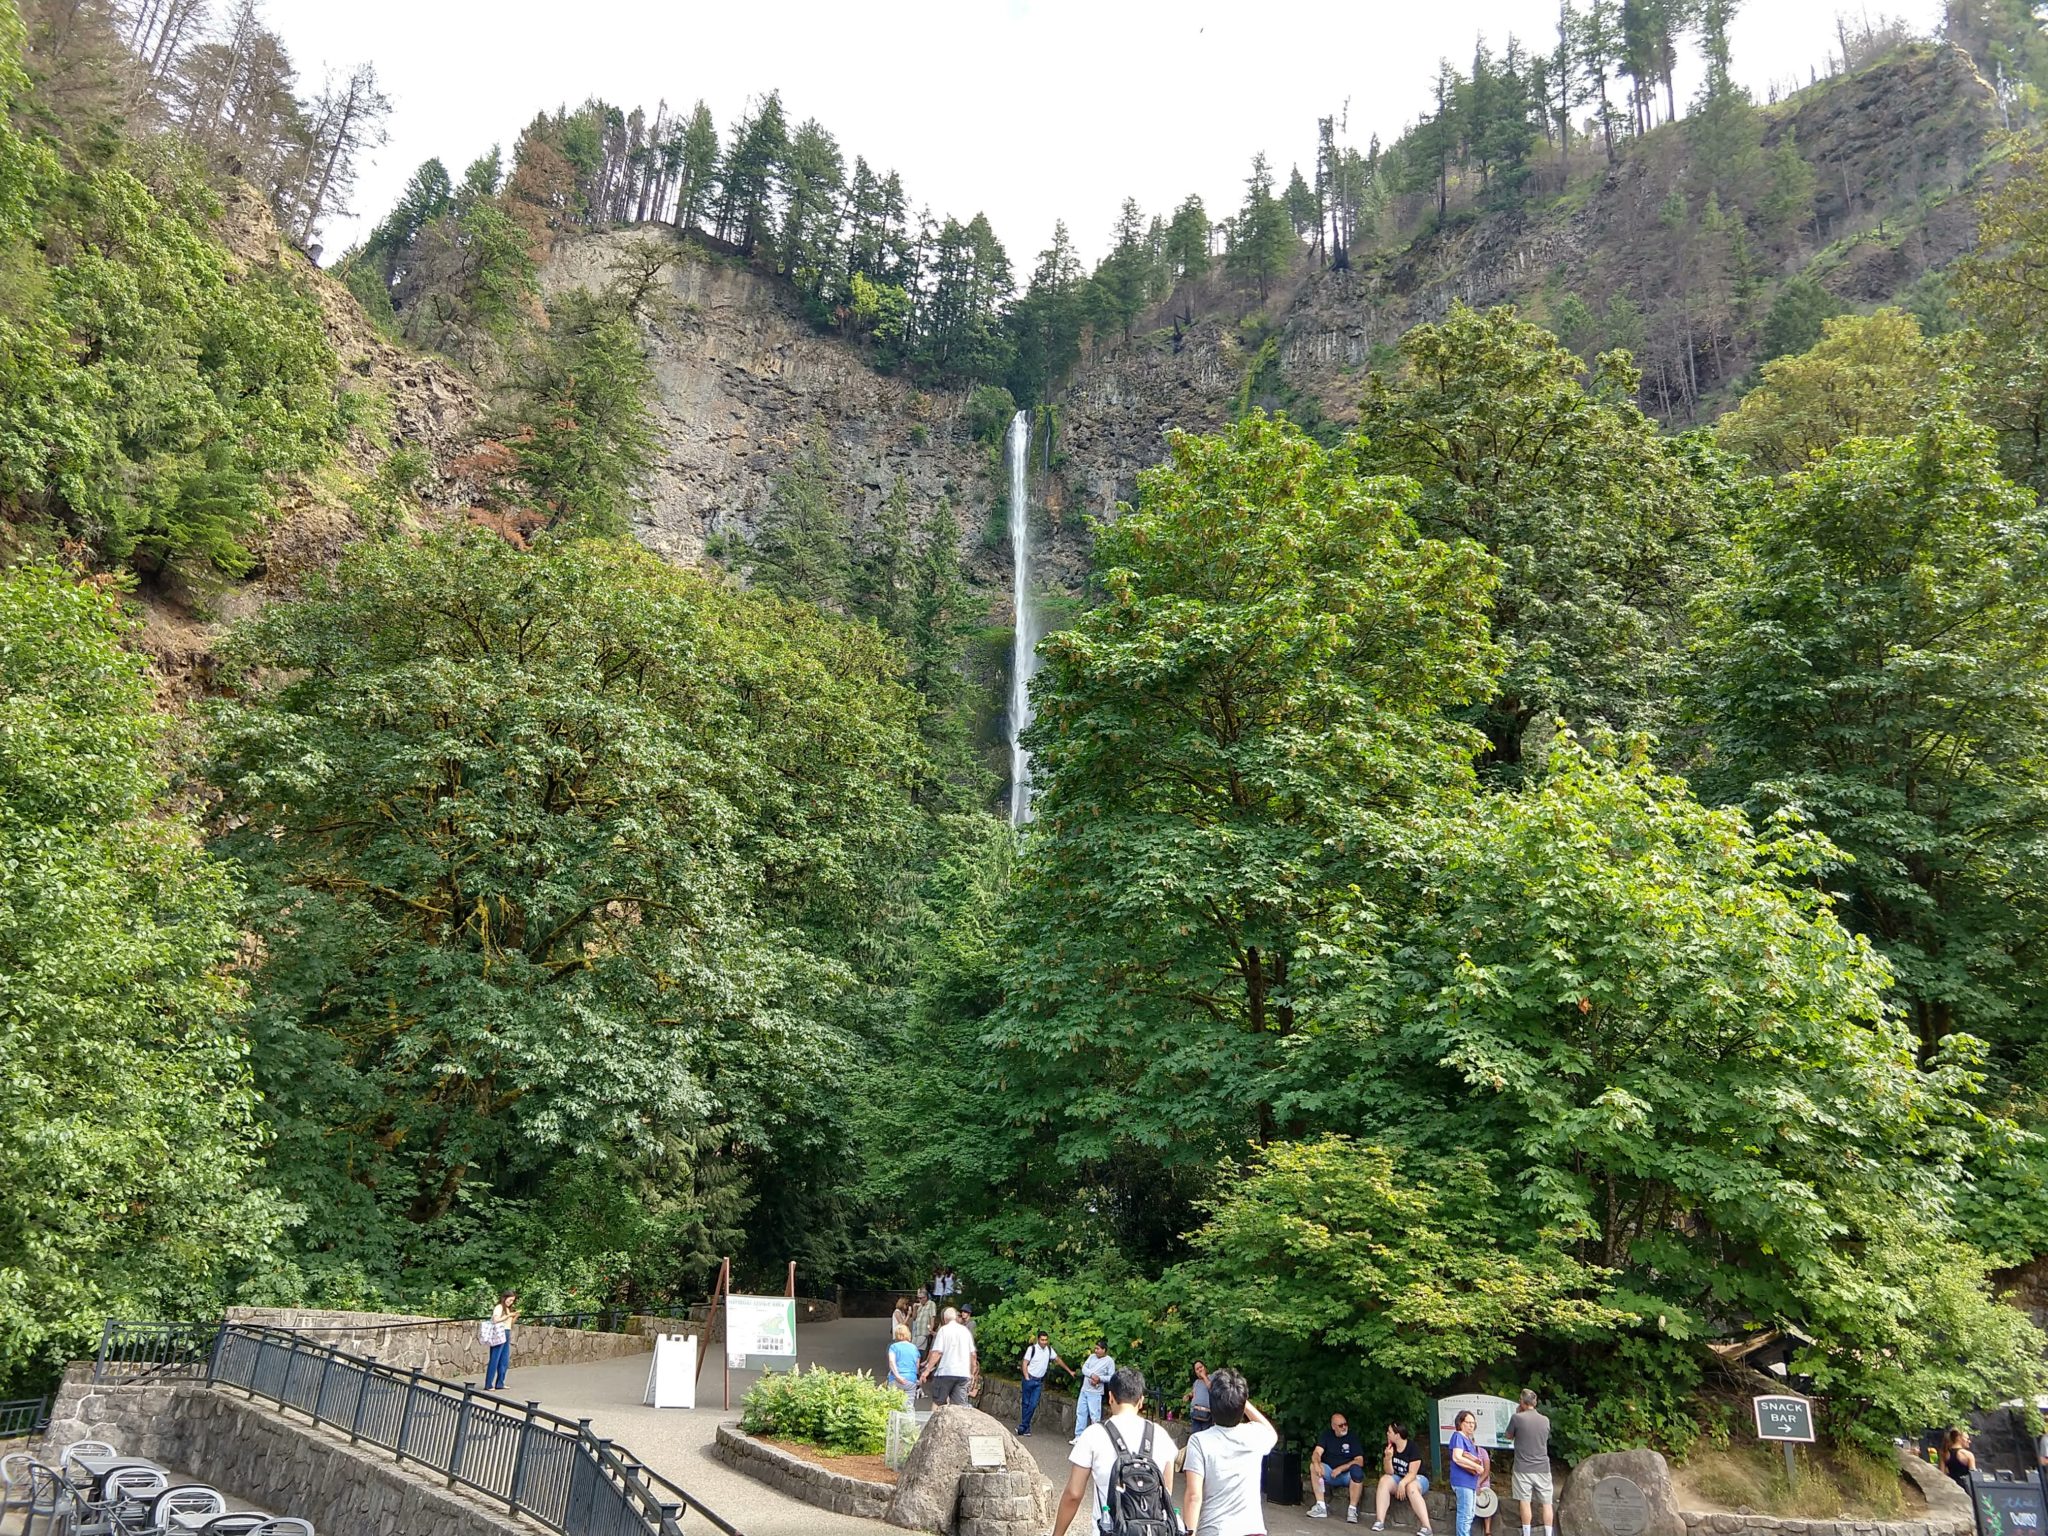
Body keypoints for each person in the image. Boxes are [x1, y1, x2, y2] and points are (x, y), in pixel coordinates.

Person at [1052, 1366, 1178, 1536]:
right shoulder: (1161, 1435)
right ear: (1141, 1401)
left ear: (1110, 1397)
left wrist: (1057, 1534)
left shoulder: (1093, 1434)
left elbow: (1073, 1494)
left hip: (1109, 1530)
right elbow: (1166, 1493)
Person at [1181, 1367, 1276, 1536]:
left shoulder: (1200, 1441)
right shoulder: (1255, 1434)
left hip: (1215, 1529)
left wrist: (1189, 1532)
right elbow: (1271, 1432)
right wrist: (1240, 1400)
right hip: (1252, 1529)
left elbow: (1194, 1496)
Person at [1505, 1389, 1553, 1536]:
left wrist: (1518, 1413)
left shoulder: (1517, 1418)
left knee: (1525, 1501)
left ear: (1522, 1401)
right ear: (1535, 1402)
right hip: (1543, 1467)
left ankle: (1527, 1533)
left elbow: (1508, 1436)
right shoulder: (1545, 1420)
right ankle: (1548, 1533)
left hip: (1523, 1468)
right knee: (1547, 1503)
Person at [1372, 1423, 1431, 1534]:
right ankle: (1380, 1521)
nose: (1387, 1434)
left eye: (1389, 1432)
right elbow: (1389, 1472)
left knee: (1411, 1487)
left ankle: (1426, 1526)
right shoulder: (1390, 1447)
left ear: (1397, 1435)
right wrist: (1388, 1458)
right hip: (1399, 1477)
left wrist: (1402, 1484)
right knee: (1384, 1480)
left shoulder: (1412, 1447)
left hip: (1419, 1478)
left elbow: (1413, 1473)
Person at [1309, 1411, 1368, 1521]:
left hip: (1346, 1475)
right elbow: (1317, 1453)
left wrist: (1341, 1468)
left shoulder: (1352, 1437)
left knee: (1357, 1472)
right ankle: (1321, 1506)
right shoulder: (1327, 1435)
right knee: (1313, 1467)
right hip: (1330, 1472)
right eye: (1341, 1425)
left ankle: (1352, 1510)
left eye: (1345, 1424)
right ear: (1333, 1426)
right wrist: (1317, 1464)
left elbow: (1360, 1460)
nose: (1344, 1427)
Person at [920, 1305, 979, 1406]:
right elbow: (973, 1355)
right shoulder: (965, 1331)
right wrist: (972, 1372)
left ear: (944, 1319)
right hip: (963, 1374)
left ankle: (935, 1421)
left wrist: (927, 1370)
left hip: (945, 1372)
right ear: (956, 1317)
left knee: (938, 1403)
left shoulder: (943, 1330)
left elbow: (937, 1353)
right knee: (959, 1406)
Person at [1019, 1331, 1075, 1436]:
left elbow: (1058, 1360)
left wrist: (1069, 1371)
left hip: (1039, 1381)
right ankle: (1025, 1428)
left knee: (1033, 1404)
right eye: (1042, 1340)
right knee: (1025, 1403)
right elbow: (1025, 1363)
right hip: (1029, 1379)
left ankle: (1023, 1426)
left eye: (1046, 1340)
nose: (1044, 1342)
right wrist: (1026, 1377)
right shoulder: (1032, 1349)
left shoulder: (1049, 1350)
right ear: (1038, 1339)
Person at [1448, 1410, 1484, 1536]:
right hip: (1462, 1481)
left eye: (1473, 1423)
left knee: (1469, 1514)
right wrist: (1476, 1466)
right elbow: (1457, 1457)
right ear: (1460, 1423)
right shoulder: (1458, 1436)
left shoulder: (1468, 1439)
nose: (1471, 1425)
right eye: (1468, 1422)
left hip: (1470, 1481)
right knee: (1465, 1515)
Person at [1075, 1340, 1116, 1440]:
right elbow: (1084, 1368)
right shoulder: (1091, 1357)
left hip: (1095, 1392)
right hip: (1085, 1389)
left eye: (1098, 1349)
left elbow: (1111, 1377)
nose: (1096, 1350)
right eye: (1095, 1348)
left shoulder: (1109, 1361)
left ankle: (1095, 1438)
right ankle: (1078, 1436)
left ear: (1104, 1350)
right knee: (1081, 1413)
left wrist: (1099, 1379)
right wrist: (1092, 1375)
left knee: (1095, 1416)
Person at [482, 1290, 518, 1391]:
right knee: (495, 1358)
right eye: (510, 1300)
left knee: (504, 1360)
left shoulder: (507, 1309)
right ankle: (489, 1384)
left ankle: (500, 1383)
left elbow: (510, 1324)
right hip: (499, 1333)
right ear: (505, 1298)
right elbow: (495, 1320)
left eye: (512, 1301)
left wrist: (514, 1316)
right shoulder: (499, 1307)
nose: (511, 1302)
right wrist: (508, 1316)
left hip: (506, 1332)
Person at [887, 1324, 920, 1406]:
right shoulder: (914, 1348)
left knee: (893, 1406)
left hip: (895, 1379)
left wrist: (897, 1376)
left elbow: (891, 1361)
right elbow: (917, 1365)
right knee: (908, 1406)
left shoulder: (893, 1347)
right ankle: (909, 1418)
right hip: (910, 1379)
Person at [1184, 1363, 1213, 1438]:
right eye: (1197, 1369)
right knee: (1195, 1436)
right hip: (1195, 1413)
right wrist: (1188, 1395)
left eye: (1201, 1367)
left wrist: (1204, 1377)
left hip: (1207, 1415)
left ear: (1205, 1367)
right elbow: (1193, 1392)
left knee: (1205, 1437)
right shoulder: (1196, 1382)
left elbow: (1211, 1388)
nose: (1200, 1370)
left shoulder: (1211, 1377)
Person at [910, 1289, 936, 1353]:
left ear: (926, 1297)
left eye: (921, 1298)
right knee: (913, 1349)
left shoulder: (931, 1304)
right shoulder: (920, 1306)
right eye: (918, 1298)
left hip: (924, 1332)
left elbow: (932, 1317)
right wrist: (914, 1308)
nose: (920, 1300)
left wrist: (930, 1330)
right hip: (916, 1332)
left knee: (917, 1350)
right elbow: (914, 1318)